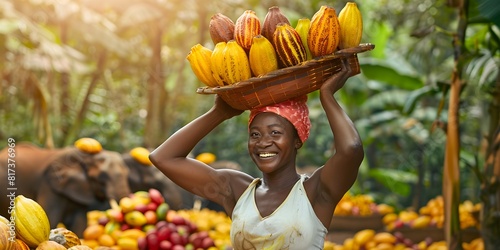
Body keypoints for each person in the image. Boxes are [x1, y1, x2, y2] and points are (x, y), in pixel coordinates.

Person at [149, 58, 364, 249]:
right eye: (255, 134)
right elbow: (163, 158)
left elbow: (351, 150)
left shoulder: (316, 192)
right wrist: (218, 113)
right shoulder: (236, 189)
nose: (263, 142)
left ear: (297, 139)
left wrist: (327, 96)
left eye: (275, 133)